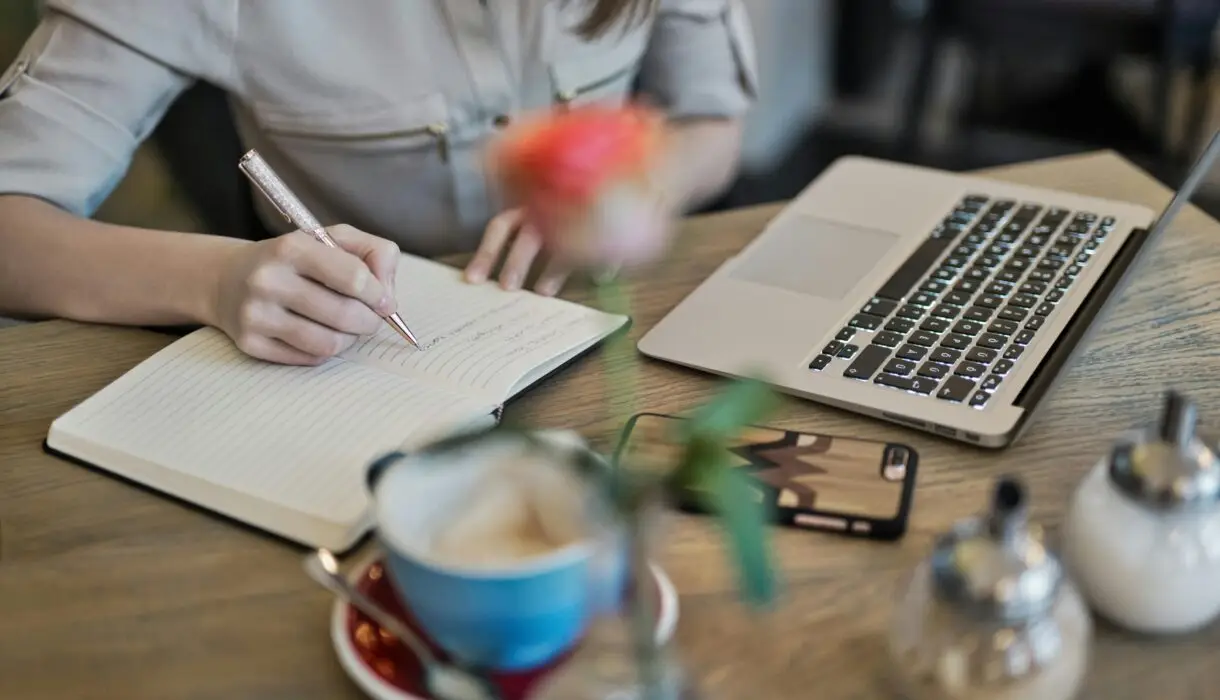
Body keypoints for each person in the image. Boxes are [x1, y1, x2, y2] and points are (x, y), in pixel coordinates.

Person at [0, 0, 758, 366]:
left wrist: (644, 185)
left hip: (610, 331)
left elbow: (714, 123)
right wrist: (217, 277)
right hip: (343, 359)